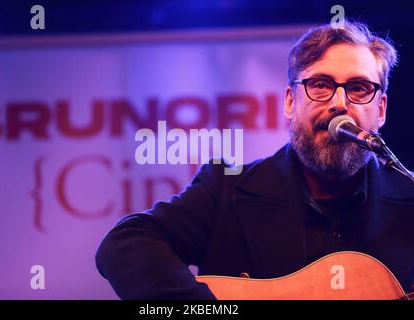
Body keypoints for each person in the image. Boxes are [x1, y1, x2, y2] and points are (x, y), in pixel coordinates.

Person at [95, 20, 414, 299]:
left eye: (359, 88)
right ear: (290, 102)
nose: (339, 103)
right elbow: (124, 245)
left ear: (381, 109)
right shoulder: (225, 187)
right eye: (320, 85)